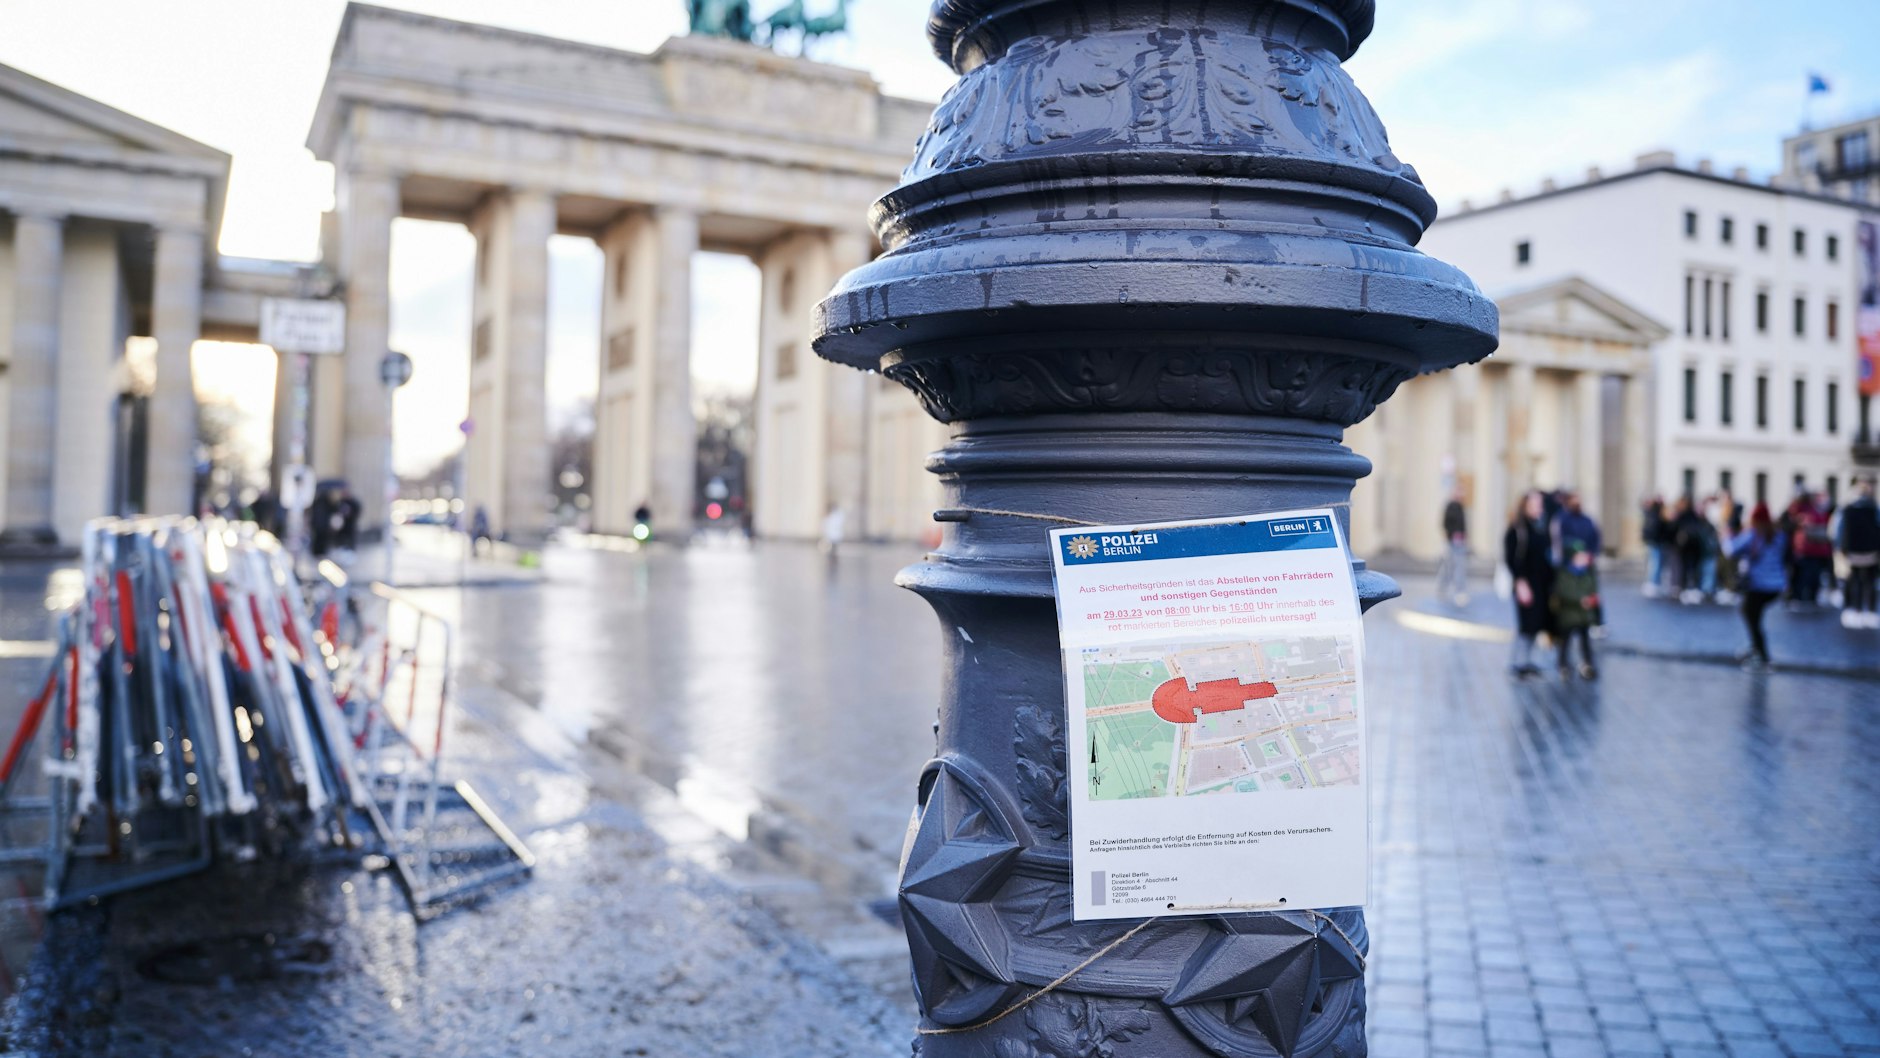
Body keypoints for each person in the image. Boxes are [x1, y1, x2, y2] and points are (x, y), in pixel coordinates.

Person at [1726, 503, 1787, 672]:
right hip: (1776, 585)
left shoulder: (1753, 534)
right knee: (1754, 616)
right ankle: (1755, 648)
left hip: (1758, 584)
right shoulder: (1778, 534)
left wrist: (1728, 533)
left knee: (1750, 615)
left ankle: (1763, 658)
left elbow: (1730, 549)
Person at [1503, 491, 1555, 678]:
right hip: (1525, 585)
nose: (1540, 507)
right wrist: (1520, 582)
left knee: (1536, 624)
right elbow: (1510, 558)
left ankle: (1526, 660)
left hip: (1540, 585)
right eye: (1536, 504)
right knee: (1525, 625)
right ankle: (1517, 662)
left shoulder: (1539, 526)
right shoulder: (1518, 529)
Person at [1550, 542, 1600, 679]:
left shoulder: (1588, 572)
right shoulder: (1564, 573)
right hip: (1568, 615)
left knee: (1585, 642)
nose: (1584, 559)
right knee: (1565, 641)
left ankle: (1587, 664)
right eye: (1580, 557)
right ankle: (1562, 664)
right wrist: (1580, 600)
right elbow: (1564, 592)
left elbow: (1593, 588)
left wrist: (1591, 598)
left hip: (1584, 616)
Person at [1836, 474, 1879, 629]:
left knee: (1855, 581)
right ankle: (1871, 612)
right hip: (1871, 551)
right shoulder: (1873, 508)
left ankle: (1856, 609)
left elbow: (1840, 530)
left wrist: (1841, 547)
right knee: (1869, 581)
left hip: (1854, 550)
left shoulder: (1848, 509)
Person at [1788, 490, 1833, 606]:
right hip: (1809, 549)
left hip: (1811, 549)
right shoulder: (1808, 512)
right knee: (1807, 575)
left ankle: (1806, 597)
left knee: (1810, 575)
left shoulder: (1807, 511)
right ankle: (1803, 597)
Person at [1438, 490, 1469, 605]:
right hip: (1452, 541)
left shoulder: (1461, 508)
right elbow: (1446, 523)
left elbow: (1463, 525)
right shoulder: (1450, 507)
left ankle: (1459, 591)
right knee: (1449, 567)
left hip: (1460, 541)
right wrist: (1451, 535)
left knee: (1459, 567)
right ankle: (1443, 587)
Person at [1641, 496, 1669, 597]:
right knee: (1656, 563)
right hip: (1656, 542)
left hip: (1656, 542)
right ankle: (1654, 583)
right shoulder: (1656, 514)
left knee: (1655, 563)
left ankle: (1654, 583)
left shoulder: (1653, 514)